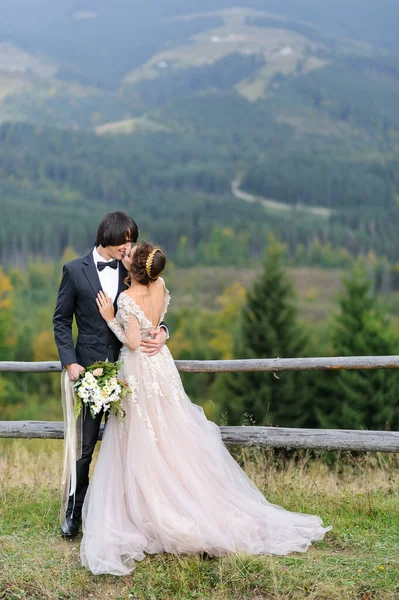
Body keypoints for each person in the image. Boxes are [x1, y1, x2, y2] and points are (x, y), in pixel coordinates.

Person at [80, 241, 331, 576]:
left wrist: (111, 319)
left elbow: (134, 342)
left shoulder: (127, 299)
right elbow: (157, 322)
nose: (125, 255)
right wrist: (163, 332)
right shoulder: (160, 285)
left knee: (144, 437)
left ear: (136, 270)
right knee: (170, 433)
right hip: (162, 368)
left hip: (140, 369)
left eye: (130, 255)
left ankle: (150, 507)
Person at [53, 213, 169, 538]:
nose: (128, 246)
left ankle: (128, 516)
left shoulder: (132, 269)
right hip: (89, 373)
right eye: (124, 240)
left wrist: (163, 330)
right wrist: (70, 362)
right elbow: (61, 321)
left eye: (131, 241)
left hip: (129, 374)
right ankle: (75, 513)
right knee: (85, 448)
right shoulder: (74, 271)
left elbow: (151, 308)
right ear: (108, 236)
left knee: (131, 446)